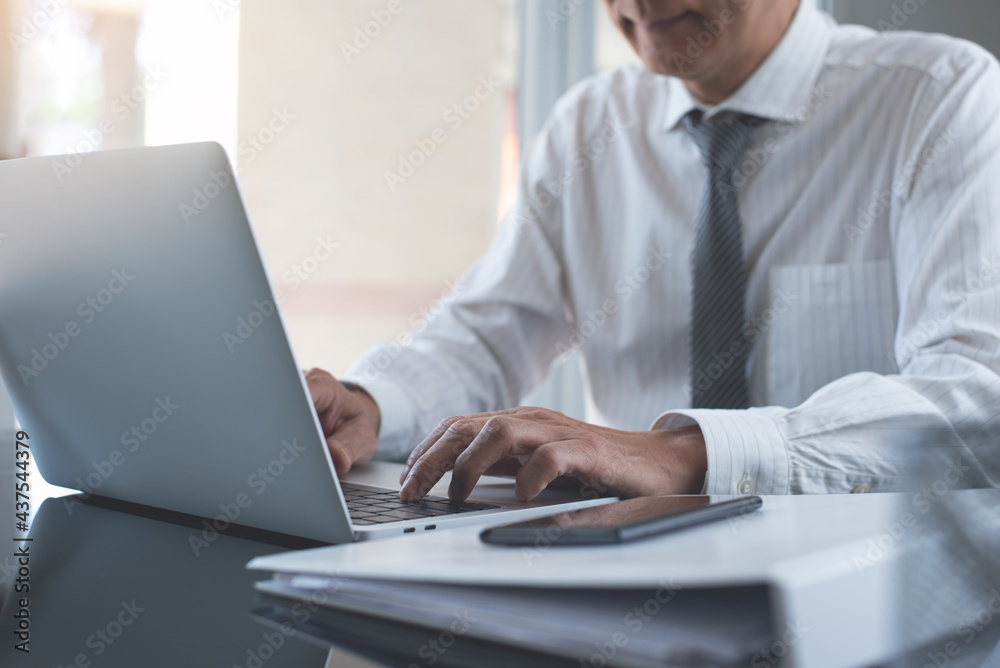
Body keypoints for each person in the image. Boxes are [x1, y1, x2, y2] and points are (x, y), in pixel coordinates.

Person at [306, 0, 1000, 502]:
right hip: (635, 579)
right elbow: (487, 338)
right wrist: (375, 404)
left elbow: (976, 393)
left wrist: (689, 454)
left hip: (865, 598)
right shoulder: (590, 124)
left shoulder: (939, 100)